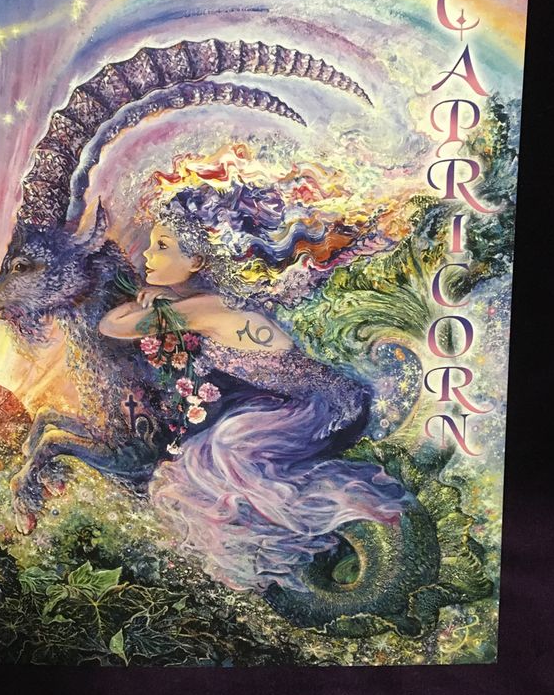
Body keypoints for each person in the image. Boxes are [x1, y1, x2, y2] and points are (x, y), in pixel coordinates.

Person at [99, 151, 410, 593]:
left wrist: (146, 299)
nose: (147, 255)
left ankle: (318, 538)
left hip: (327, 409)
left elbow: (112, 326)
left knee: (222, 452)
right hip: (304, 401)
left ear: (198, 262)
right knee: (207, 453)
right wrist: (163, 297)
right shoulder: (208, 301)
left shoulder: (204, 307)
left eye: (162, 246)